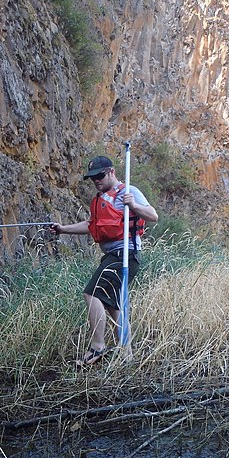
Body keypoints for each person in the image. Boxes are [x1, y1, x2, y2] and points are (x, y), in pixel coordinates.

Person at [50, 155, 158, 366]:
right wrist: (63, 230)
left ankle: (97, 347)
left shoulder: (129, 192)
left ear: (111, 172)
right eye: (92, 178)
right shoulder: (100, 199)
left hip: (125, 254)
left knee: (91, 293)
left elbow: (153, 215)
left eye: (100, 176)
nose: (96, 181)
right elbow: (90, 225)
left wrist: (134, 204)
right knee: (112, 305)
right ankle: (126, 353)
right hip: (111, 255)